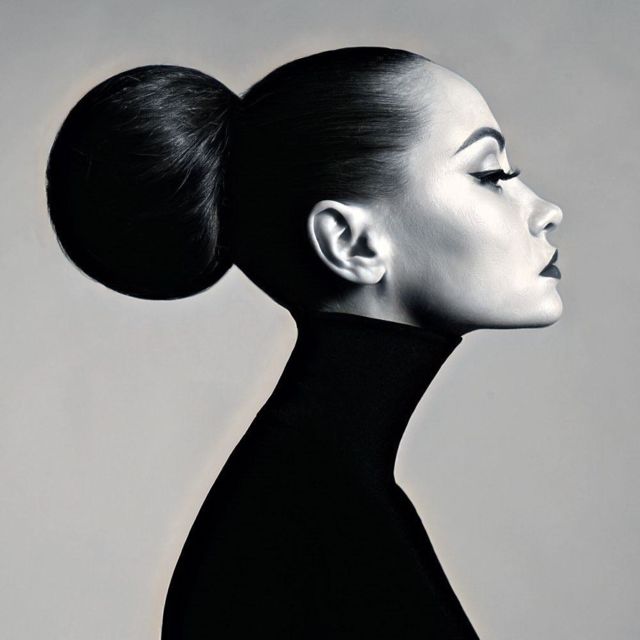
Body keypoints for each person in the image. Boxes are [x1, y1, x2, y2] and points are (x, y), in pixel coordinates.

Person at [45, 47, 563, 638]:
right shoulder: (321, 518)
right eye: (491, 176)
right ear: (350, 243)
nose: (546, 211)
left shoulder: (310, 493)